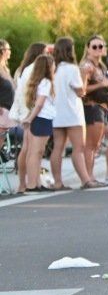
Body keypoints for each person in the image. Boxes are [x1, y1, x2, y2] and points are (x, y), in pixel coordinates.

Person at [46, 37, 99, 189]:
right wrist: (85, 75)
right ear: (70, 50)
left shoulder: (53, 69)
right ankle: (85, 180)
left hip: (56, 112)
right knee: (78, 148)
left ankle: (57, 182)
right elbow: (80, 91)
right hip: (72, 113)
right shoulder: (72, 68)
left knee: (58, 148)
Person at [79, 35, 108, 184]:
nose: (98, 49)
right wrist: (102, 85)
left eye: (101, 46)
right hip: (92, 107)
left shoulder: (101, 67)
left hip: (105, 108)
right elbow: (82, 90)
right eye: (94, 46)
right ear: (88, 49)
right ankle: (89, 178)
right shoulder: (87, 66)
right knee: (91, 145)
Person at [14, 49, 55, 191]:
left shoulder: (40, 82)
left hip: (41, 118)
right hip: (41, 118)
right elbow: (40, 103)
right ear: (48, 67)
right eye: (53, 65)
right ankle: (32, 184)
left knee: (37, 151)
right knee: (35, 152)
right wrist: (30, 118)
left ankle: (36, 182)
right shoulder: (46, 82)